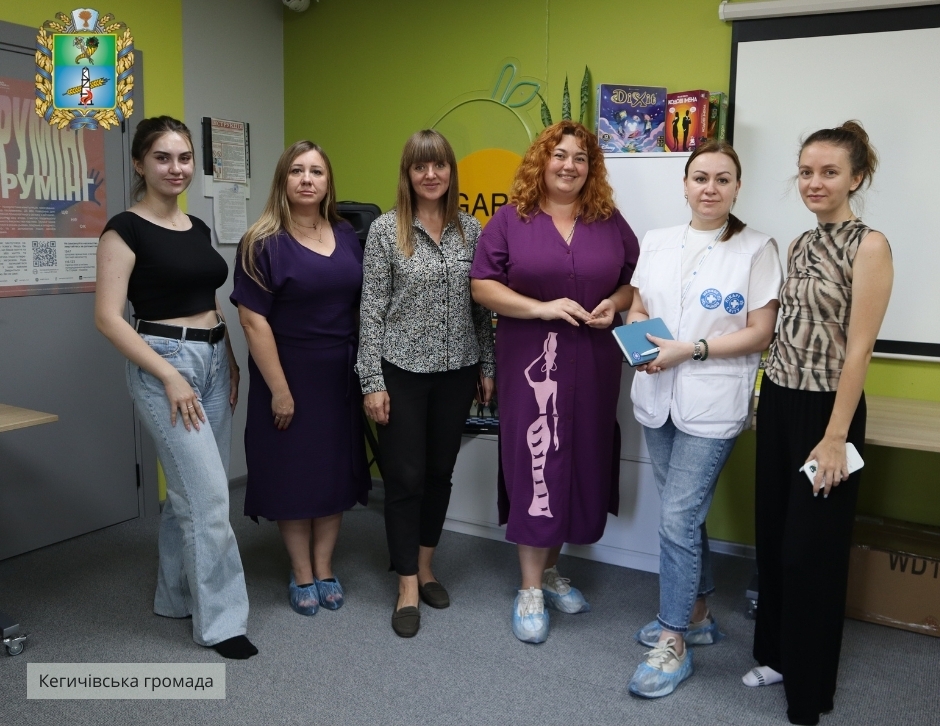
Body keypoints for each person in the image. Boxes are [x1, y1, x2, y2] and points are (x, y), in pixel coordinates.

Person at [624, 140, 782, 698]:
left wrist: (689, 350)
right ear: (685, 185)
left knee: (676, 519)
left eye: (722, 179)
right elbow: (638, 306)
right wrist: (640, 342)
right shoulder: (657, 240)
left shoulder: (757, 248)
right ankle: (698, 615)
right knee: (683, 516)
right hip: (657, 394)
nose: (709, 188)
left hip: (712, 403)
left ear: (737, 187)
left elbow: (760, 332)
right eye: (700, 178)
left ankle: (673, 640)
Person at [470, 120, 639, 644]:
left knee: (579, 458)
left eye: (580, 158)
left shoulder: (608, 221)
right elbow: (482, 286)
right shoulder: (510, 220)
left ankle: (549, 570)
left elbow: (633, 282)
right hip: (531, 360)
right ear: (542, 161)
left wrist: (613, 303)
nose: (569, 165)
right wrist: (540, 308)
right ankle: (528, 588)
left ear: (591, 169)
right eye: (559, 155)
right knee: (537, 458)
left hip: (592, 361)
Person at [746, 122, 892, 726]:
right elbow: (789, 332)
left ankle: (810, 690)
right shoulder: (800, 243)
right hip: (781, 401)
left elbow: (859, 351)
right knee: (775, 539)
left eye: (830, 172)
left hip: (829, 414)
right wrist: (763, 399)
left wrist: (835, 438)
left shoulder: (870, 245)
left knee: (812, 553)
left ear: (855, 178)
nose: (814, 182)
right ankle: (777, 656)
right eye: (807, 171)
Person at [94, 116, 256, 659]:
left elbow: (209, 302)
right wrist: (168, 376)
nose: (176, 168)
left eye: (184, 157)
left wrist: (228, 357)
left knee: (189, 492)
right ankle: (223, 624)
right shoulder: (124, 229)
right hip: (164, 363)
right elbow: (108, 318)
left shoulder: (198, 227)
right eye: (162, 157)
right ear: (139, 163)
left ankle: (175, 597)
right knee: (209, 498)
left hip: (212, 358)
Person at [357, 130, 495, 638]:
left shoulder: (471, 229)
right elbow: (370, 312)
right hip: (402, 371)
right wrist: (372, 380)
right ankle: (407, 585)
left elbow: (480, 307)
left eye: (439, 165)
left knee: (439, 473)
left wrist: (487, 366)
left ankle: (426, 565)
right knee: (405, 477)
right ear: (408, 173)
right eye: (420, 166)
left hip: (458, 371)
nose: (431, 174)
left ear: (451, 171)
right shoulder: (385, 230)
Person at [230, 141, 370, 617]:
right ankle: (301, 571)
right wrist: (280, 390)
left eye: (316, 171)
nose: (307, 179)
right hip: (287, 372)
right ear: (283, 180)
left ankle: (325, 567)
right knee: (293, 475)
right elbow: (253, 320)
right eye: (297, 171)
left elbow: (359, 304)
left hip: (339, 376)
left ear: (328, 182)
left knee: (333, 474)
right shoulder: (261, 241)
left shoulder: (346, 234)